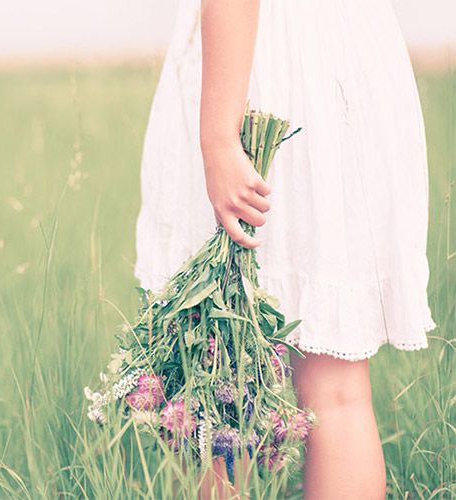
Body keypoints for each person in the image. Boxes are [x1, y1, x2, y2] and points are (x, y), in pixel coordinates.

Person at [133, 0, 437, 497]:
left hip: (261, 74)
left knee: (214, 372)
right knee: (337, 390)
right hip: (345, 62)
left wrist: (218, 135)